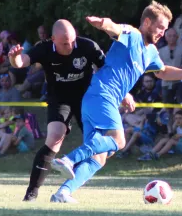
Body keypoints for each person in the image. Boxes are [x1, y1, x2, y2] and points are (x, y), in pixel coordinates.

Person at [50, 1, 182, 203]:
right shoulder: (132, 35)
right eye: (160, 27)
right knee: (119, 140)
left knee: (99, 158)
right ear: (147, 22)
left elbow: (163, 71)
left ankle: (63, 193)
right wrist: (103, 23)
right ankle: (69, 159)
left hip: (97, 100)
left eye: (165, 29)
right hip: (102, 94)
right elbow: (114, 29)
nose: (162, 33)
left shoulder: (150, 52)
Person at [8, 19, 135, 202]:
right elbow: (21, 62)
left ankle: (64, 191)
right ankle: (31, 194)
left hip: (89, 99)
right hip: (60, 99)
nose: (70, 46)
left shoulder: (88, 46)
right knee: (54, 138)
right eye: (65, 43)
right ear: (53, 39)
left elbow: (109, 73)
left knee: (102, 154)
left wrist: (124, 93)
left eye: (72, 41)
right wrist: (14, 57)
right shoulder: (43, 48)